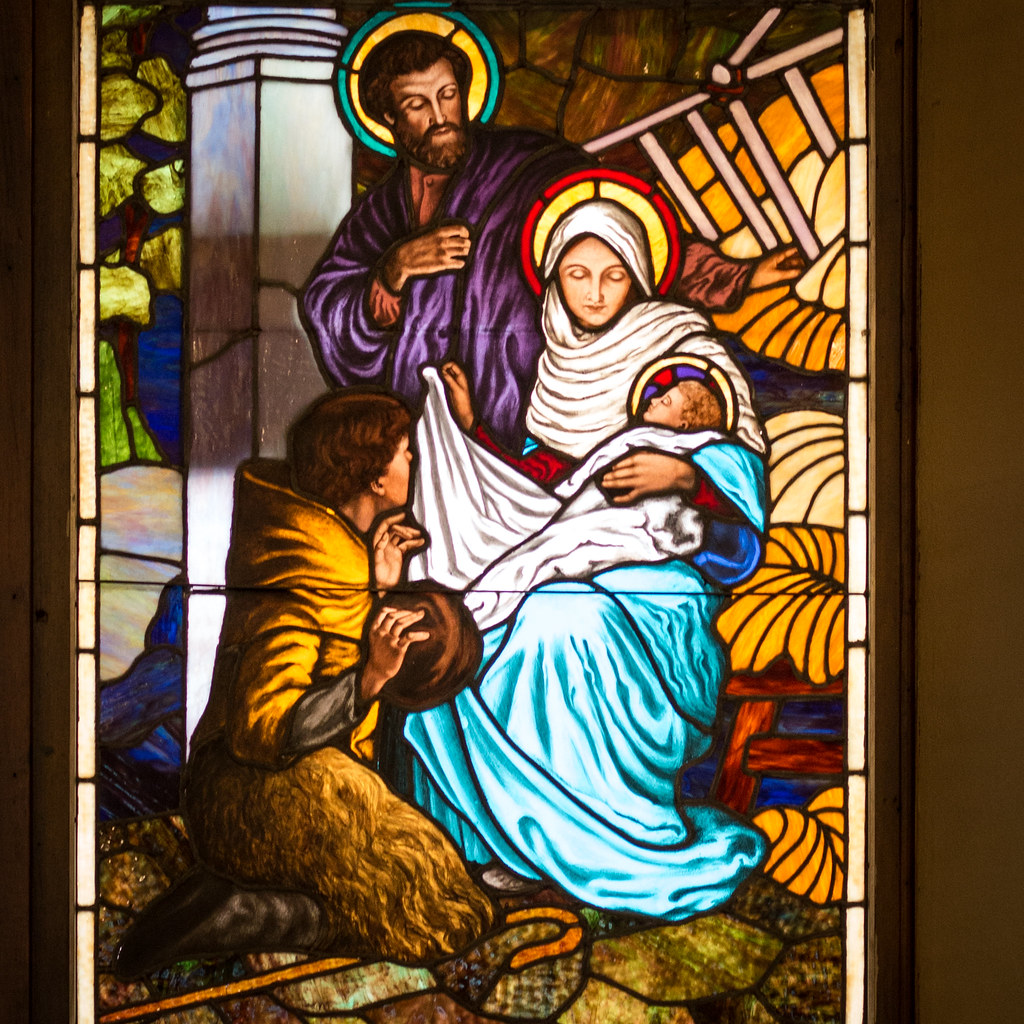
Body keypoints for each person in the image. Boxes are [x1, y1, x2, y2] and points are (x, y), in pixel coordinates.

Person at [399, 198, 769, 919]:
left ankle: (609, 837)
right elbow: (551, 496)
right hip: (559, 565)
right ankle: (509, 846)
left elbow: (741, 552)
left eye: (614, 275)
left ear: (639, 277)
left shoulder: (688, 358)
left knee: (559, 618)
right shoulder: (556, 370)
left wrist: (688, 479)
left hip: (660, 601)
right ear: (554, 281)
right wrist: (472, 436)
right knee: (481, 627)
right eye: (577, 274)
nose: (595, 293)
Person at [115, 391, 494, 977]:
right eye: (404, 452)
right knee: (432, 911)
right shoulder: (302, 574)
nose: (413, 461)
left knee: (439, 889)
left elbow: (334, 642)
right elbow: (263, 728)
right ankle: (243, 914)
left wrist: (377, 590)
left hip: (301, 780)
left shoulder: (333, 557)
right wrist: (370, 677)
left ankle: (258, 908)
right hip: (248, 791)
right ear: (373, 479)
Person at [302, 30, 803, 450]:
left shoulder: (526, 163)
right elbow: (326, 305)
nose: (439, 116)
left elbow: (623, 226)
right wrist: (392, 270)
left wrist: (735, 277)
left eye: (448, 95)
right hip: (421, 428)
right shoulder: (378, 215)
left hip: (528, 408)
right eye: (417, 104)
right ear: (388, 118)